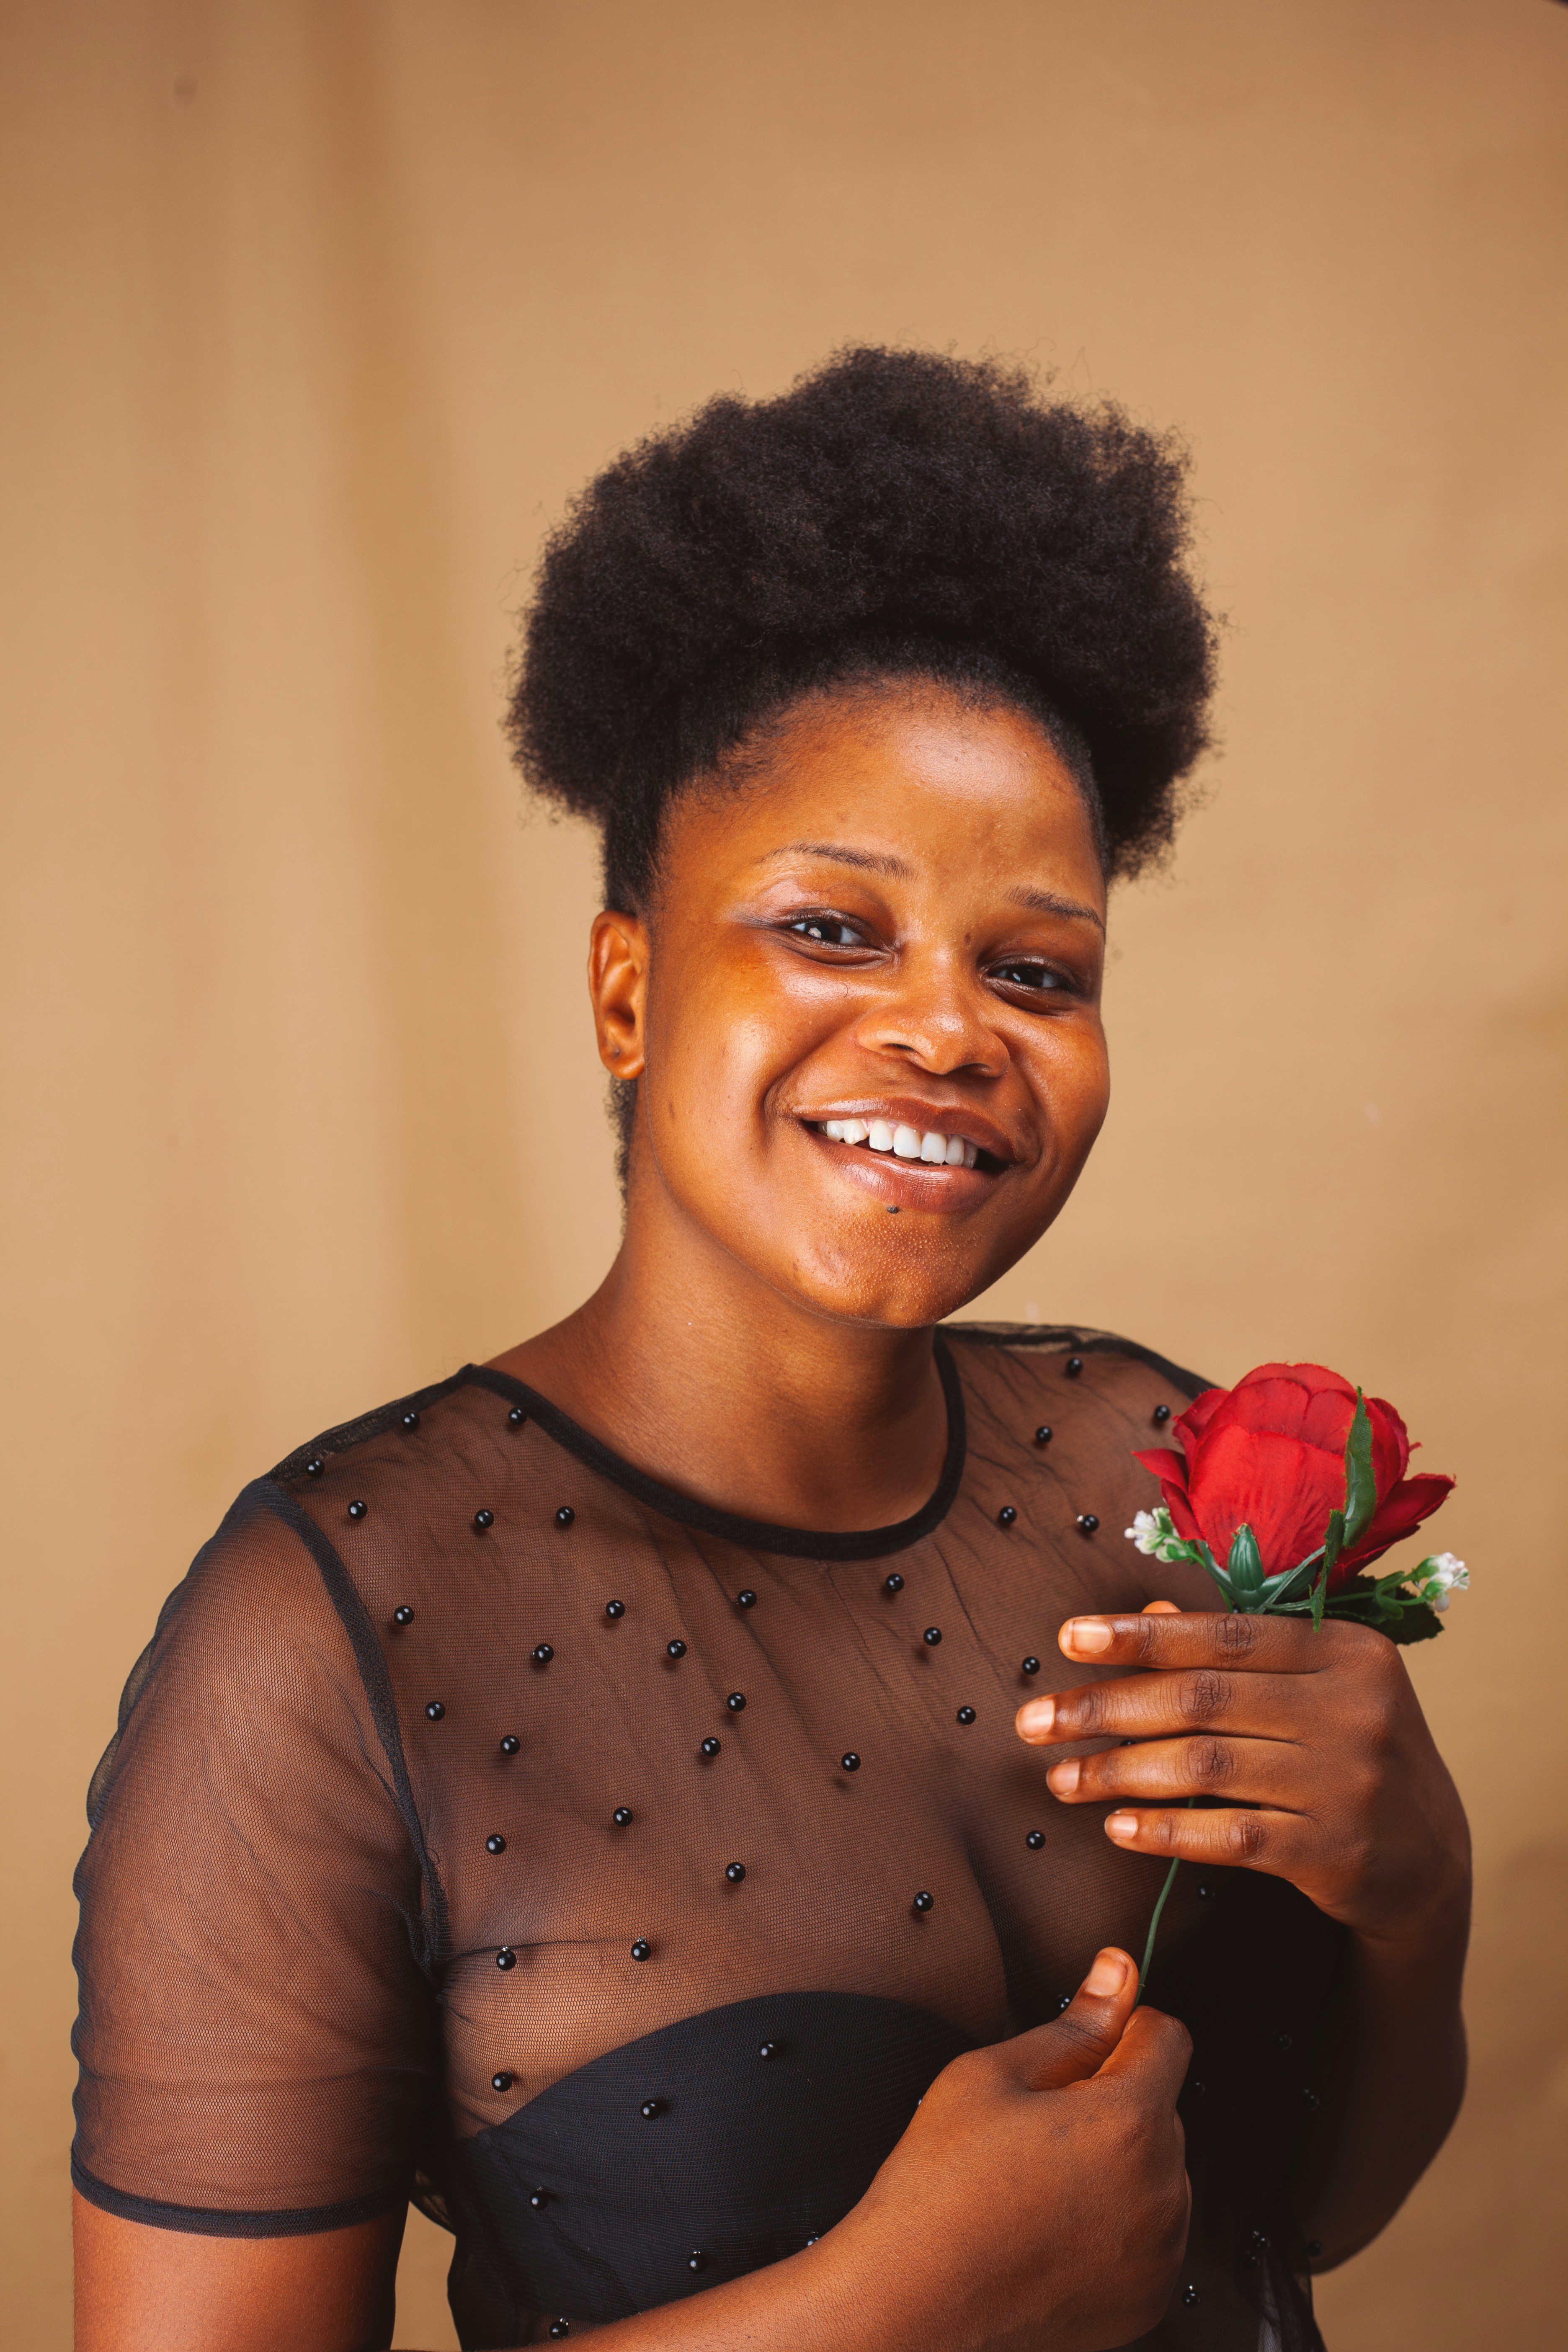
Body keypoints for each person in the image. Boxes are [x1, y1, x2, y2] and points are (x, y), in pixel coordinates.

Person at [70, 349, 1470, 2352]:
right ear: (628, 988)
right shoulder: (332, 1641)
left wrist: (1418, 1890)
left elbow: (1312, 2209)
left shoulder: (1154, 1465)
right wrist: (885, 2312)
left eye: (1037, 970)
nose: (948, 1030)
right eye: (834, 929)